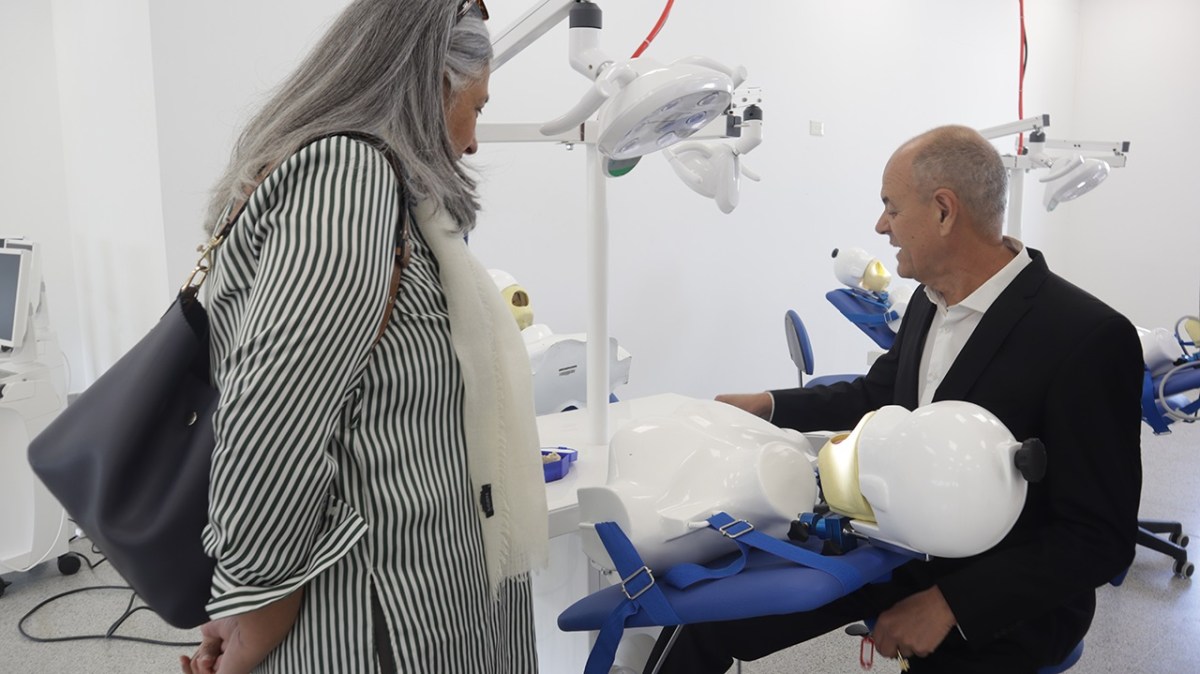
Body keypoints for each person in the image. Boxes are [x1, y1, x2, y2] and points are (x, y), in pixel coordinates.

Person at [645, 125, 1144, 674]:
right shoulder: (930, 302)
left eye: (891, 208)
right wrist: (768, 405)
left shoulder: (1086, 337)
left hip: (1004, 600)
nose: (881, 226)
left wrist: (951, 606)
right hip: (897, 547)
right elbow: (878, 395)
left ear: (944, 211)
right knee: (710, 615)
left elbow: (1099, 539)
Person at [179, 1, 549, 672]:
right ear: (431, 84)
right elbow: (275, 416)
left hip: (396, 589)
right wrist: (257, 607)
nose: (472, 141)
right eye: (477, 106)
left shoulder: (365, 186)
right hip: (379, 609)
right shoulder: (346, 177)